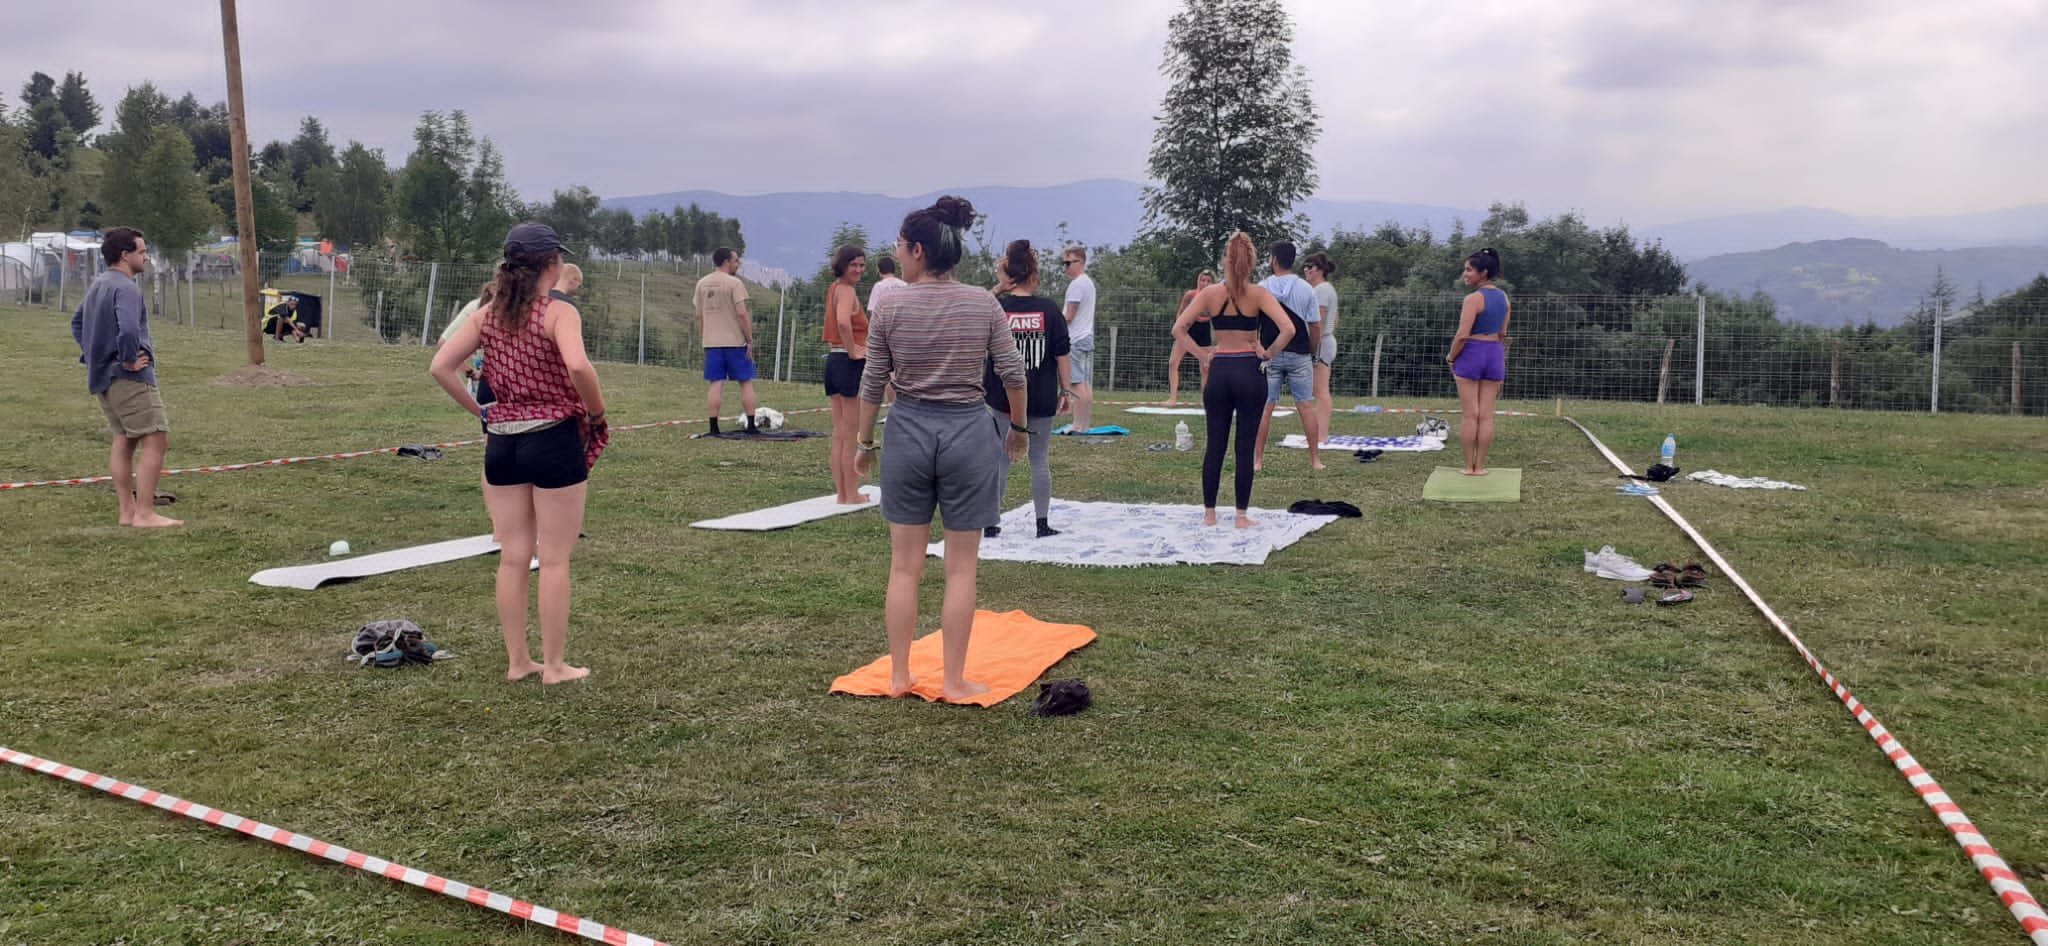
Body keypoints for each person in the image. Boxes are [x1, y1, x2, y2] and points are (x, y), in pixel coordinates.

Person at [856, 196, 1028, 703]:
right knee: (960, 567)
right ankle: (954, 681)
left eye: (899, 248)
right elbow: (1012, 374)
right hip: (969, 435)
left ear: (916, 250)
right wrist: (1019, 430)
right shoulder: (983, 302)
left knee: (904, 566)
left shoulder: (890, 305)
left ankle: (898, 676)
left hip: (907, 432)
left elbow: (872, 383)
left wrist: (864, 444)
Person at [430, 222, 606, 685]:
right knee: (555, 557)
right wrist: (595, 410)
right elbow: (577, 365)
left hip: (502, 441)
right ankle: (554, 666)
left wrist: (482, 413)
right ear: (552, 264)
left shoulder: (486, 315)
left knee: (513, 555)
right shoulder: (557, 312)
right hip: (552, 437)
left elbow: (441, 366)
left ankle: (517, 662)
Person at [1170, 232, 1294, 529]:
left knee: (1215, 444)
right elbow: (1288, 329)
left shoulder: (1210, 294)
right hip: (1249, 370)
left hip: (1220, 369)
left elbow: (1179, 329)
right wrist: (1267, 354)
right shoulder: (1259, 294)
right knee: (1244, 445)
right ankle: (1240, 515)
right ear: (1252, 262)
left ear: (1226, 259)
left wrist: (1202, 355)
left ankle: (1210, 513)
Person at [70, 226, 180, 528]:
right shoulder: (127, 288)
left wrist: (96, 358)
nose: (145, 257)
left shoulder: (99, 284)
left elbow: (77, 323)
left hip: (104, 378)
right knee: (156, 438)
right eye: (142, 252)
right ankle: (145, 513)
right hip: (129, 379)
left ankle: (127, 511)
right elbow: (129, 330)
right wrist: (128, 359)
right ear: (124, 255)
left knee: (124, 439)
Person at [986, 239, 1072, 539]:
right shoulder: (1049, 309)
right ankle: (1042, 522)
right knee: (1039, 458)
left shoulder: (998, 306)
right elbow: (1062, 353)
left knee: (999, 457)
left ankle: (991, 522)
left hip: (1001, 395)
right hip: (1041, 394)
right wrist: (1066, 391)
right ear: (1034, 273)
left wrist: (999, 286)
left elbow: (976, 319)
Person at [1253, 241, 1326, 470]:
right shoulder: (1306, 289)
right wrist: (1313, 352)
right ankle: (1315, 460)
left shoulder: (1261, 287)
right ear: (1293, 261)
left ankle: (1257, 461)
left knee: (1265, 407)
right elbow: (1315, 326)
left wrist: (1258, 348)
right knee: (1305, 406)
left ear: (1274, 260)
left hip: (1269, 356)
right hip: (1299, 354)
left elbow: (1251, 325)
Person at [1447, 248, 1510, 475]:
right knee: (1486, 415)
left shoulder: (1473, 299)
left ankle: (1468, 467)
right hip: (1494, 352)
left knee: (1470, 415)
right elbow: (1503, 333)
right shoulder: (1504, 297)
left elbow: (1462, 335)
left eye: (1468, 270)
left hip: (1471, 353)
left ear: (1483, 273)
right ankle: (1481, 467)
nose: (1465, 274)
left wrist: (1451, 357)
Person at [824, 244, 871, 505]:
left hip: (833, 360)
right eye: (853, 264)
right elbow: (843, 322)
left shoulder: (834, 289)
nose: (858, 269)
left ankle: (843, 494)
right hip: (846, 362)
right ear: (841, 265)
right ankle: (851, 494)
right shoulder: (847, 291)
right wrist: (854, 351)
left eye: (862, 265)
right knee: (850, 432)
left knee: (840, 433)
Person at [694, 247, 758, 434]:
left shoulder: (702, 284)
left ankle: (714, 427)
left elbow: (699, 315)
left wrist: (704, 337)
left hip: (712, 343)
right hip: (735, 342)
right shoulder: (734, 284)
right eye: (736, 261)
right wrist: (749, 340)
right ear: (726, 262)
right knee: (745, 382)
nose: (737, 264)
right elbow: (742, 314)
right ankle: (751, 426)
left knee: (716, 383)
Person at [1059, 245, 1096, 432]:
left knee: (1076, 383)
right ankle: (1084, 423)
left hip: (1075, 339)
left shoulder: (1077, 285)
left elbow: (1069, 315)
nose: (1065, 267)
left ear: (1079, 262)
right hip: (1086, 337)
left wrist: (1053, 322)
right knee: (1085, 384)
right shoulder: (1087, 282)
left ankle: (1078, 425)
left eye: (1068, 263)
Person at [1303, 252, 1339, 441]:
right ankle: (1319, 434)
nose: (1306, 270)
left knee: (1321, 391)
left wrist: (1313, 349)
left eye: (1309, 266)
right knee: (1319, 391)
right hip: (1326, 341)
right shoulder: (1326, 289)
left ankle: (1321, 435)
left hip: (1322, 343)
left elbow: (1320, 321)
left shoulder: (1321, 290)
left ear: (1320, 270)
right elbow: (1335, 321)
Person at [1165, 269, 1214, 406]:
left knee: (1206, 367)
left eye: (1208, 281)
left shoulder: (1215, 297)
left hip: (1204, 331)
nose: (1204, 283)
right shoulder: (1190, 295)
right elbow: (1180, 312)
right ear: (1198, 281)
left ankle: (1206, 400)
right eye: (1202, 280)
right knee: (1173, 362)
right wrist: (1179, 329)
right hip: (1187, 330)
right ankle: (1173, 398)